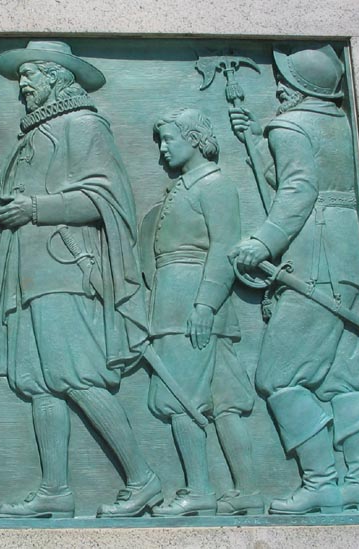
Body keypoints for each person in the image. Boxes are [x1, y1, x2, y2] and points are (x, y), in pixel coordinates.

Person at [0, 40, 160, 518]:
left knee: (76, 375)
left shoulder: (83, 125)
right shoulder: (35, 132)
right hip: (28, 273)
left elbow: (108, 199)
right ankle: (55, 491)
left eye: (30, 75)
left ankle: (143, 478)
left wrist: (35, 208)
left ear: (57, 77)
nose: (22, 85)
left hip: (67, 269)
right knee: (39, 382)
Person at [229, 45, 359, 514]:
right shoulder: (341, 124)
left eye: (283, 79)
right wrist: (256, 142)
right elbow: (306, 174)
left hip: (316, 261)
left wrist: (263, 241)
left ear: (295, 85)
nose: (277, 87)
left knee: (278, 377)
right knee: (343, 380)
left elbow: (298, 188)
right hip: (350, 259)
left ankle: (319, 482)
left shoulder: (290, 126)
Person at [141, 109, 262, 516]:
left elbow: (225, 247)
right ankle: (247, 490)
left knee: (182, 398)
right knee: (223, 401)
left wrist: (205, 305)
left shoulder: (215, 185)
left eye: (169, 140)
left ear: (193, 139)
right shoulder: (184, 186)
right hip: (178, 304)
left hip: (191, 308)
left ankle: (200, 490)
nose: (162, 149)